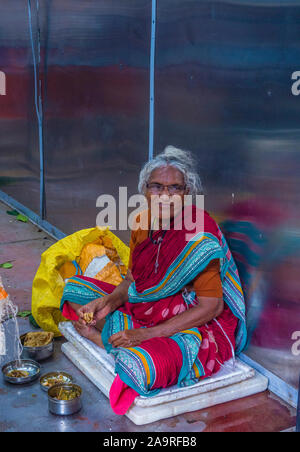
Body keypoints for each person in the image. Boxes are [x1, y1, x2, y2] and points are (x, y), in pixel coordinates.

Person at [60, 146, 247, 414]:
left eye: (175, 188)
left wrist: (145, 335)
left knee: (143, 367)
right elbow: (131, 282)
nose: (165, 196)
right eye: (157, 187)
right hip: (145, 307)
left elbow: (212, 307)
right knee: (75, 291)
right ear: (145, 190)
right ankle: (114, 333)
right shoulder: (142, 222)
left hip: (191, 323)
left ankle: (105, 339)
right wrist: (108, 302)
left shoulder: (199, 233)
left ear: (187, 193)